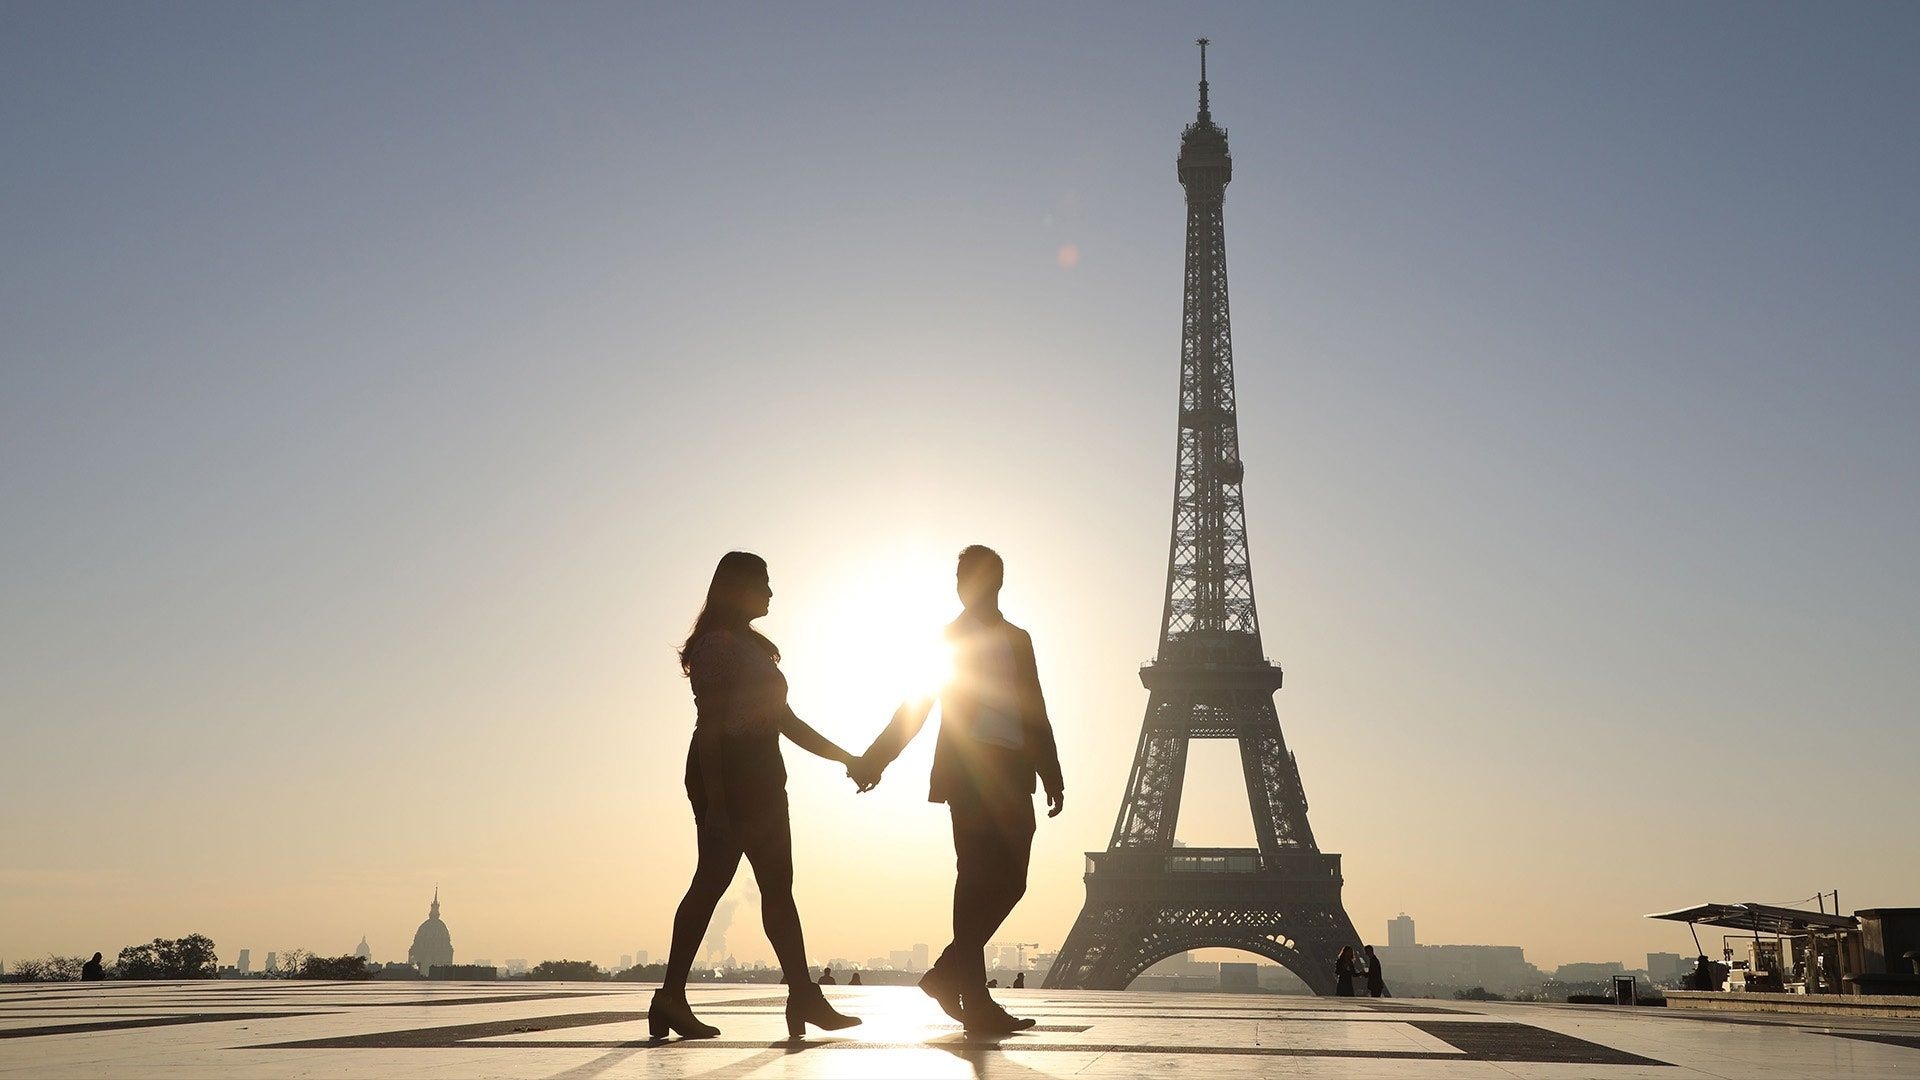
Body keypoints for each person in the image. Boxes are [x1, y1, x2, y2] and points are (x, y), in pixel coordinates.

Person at [851, 546, 1065, 1034]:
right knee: (973, 878)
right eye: (958, 578)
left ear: (994, 583)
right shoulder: (947, 638)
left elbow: (1036, 708)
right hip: (969, 770)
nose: (960, 586)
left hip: (1012, 771)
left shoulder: (1019, 639)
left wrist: (1051, 772)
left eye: (967, 577)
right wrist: (876, 759)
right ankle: (974, 996)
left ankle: (949, 972)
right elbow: (918, 705)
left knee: (1012, 880)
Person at [652, 552, 863, 1042]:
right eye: (763, 584)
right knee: (714, 880)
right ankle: (674, 996)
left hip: (763, 773)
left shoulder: (750, 647)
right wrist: (720, 805)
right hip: (728, 772)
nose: (771, 593)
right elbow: (711, 731)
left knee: (772, 887)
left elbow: (784, 722)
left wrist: (845, 757)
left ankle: (798, 996)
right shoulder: (717, 647)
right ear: (737, 588)